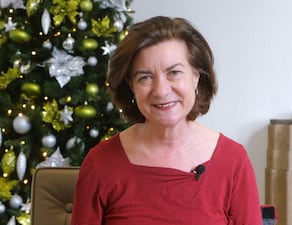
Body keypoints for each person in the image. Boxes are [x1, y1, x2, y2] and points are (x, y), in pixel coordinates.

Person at [71, 16, 262, 225]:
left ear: (196, 76)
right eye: (145, 77)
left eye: (174, 73)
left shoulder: (233, 161)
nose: (161, 91)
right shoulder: (100, 163)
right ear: (131, 85)